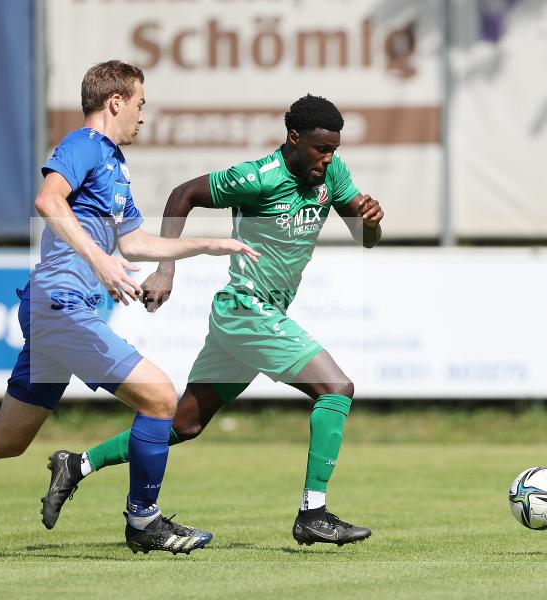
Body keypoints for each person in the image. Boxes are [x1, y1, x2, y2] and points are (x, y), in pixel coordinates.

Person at [0, 60, 260, 555]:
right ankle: (144, 522)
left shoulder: (114, 165)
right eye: (140, 105)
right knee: (161, 398)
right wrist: (100, 261)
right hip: (60, 305)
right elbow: (47, 200)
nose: (143, 116)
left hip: (57, 310)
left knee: (7, 438)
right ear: (115, 102)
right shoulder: (83, 145)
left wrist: (208, 245)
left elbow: (136, 242)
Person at [41, 94, 384, 547]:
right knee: (336, 389)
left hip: (257, 315)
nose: (329, 158)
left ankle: (77, 464)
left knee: (184, 425)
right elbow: (182, 194)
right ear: (295, 138)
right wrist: (166, 269)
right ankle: (313, 512)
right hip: (247, 308)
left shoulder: (331, 174)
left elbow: (367, 239)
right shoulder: (257, 177)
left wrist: (371, 220)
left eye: (334, 149)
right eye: (322, 149)